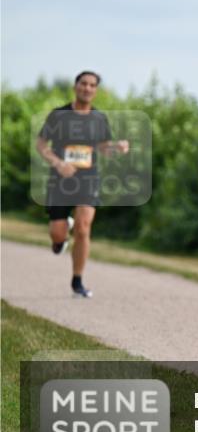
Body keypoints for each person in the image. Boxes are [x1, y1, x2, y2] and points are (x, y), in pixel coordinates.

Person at [35, 71, 129, 298]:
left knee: (84, 227)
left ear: (96, 91)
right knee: (57, 234)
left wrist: (117, 147)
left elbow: (103, 148)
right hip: (60, 180)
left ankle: (77, 281)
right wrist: (58, 163)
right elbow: (41, 144)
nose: (87, 88)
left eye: (92, 85)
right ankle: (61, 235)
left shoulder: (99, 118)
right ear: (76, 86)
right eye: (83, 83)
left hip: (88, 180)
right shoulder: (59, 115)